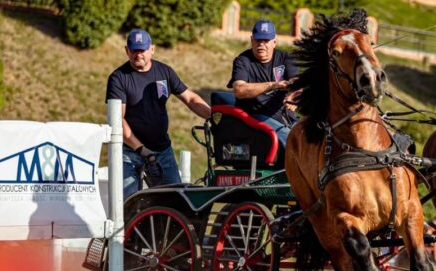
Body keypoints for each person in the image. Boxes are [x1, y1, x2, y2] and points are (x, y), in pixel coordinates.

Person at [106, 28, 211, 199]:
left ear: (152, 49)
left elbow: (190, 99)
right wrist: (142, 150)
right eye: (134, 50)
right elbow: (118, 119)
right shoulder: (118, 78)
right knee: (130, 205)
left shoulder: (164, 72)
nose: (138, 54)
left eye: (143, 50)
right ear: (127, 50)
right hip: (129, 152)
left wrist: (215, 117)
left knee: (176, 201)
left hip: (162, 150)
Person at [227, 19, 299, 148]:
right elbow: (239, 90)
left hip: (286, 117)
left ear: (274, 42)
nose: (261, 44)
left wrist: (294, 95)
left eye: (266, 41)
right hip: (255, 118)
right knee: (293, 141)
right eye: (258, 40)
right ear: (251, 40)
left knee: (315, 138)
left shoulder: (285, 58)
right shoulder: (243, 61)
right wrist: (273, 85)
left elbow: (296, 82)